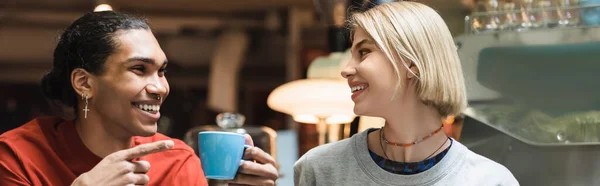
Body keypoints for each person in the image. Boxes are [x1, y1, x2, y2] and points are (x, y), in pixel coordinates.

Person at [0, 11, 278, 186]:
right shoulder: (18, 157)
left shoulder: (177, 162)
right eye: (139, 69)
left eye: (162, 71)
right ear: (84, 83)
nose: (160, 88)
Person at [294, 1, 518, 186]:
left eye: (364, 52)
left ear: (411, 63)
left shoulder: (491, 181)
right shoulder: (320, 170)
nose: (346, 69)